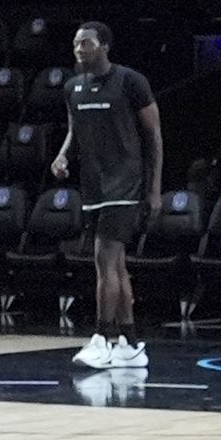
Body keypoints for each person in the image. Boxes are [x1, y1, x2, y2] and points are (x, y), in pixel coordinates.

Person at [57, 22, 160, 369]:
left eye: (86, 43)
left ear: (105, 46)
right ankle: (129, 343)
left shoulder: (131, 82)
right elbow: (75, 130)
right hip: (93, 185)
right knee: (116, 265)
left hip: (125, 184)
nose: (79, 49)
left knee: (104, 259)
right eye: (75, 44)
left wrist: (154, 189)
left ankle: (103, 337)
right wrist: (63, 155)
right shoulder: (72, 88)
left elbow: (154, 137)